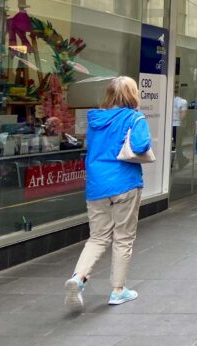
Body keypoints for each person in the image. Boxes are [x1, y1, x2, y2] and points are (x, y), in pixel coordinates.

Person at [64, 76, 151, 309]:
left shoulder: (94, 119)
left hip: (96, 185)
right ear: (132, 95)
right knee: (123, 237)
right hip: (125, 182)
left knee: (98, 237)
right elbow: (142, 146)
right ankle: (118, 290)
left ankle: (78, 278)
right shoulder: (134, 118)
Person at [171, 89, 188, 169]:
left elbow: (183, 115)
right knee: (177, 145)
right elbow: (183, 115)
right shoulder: (182, 101)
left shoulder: (181, 101)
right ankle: (181, 161)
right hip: (176, 125)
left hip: (173, 126)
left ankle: (179, 161)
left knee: (174, 145)